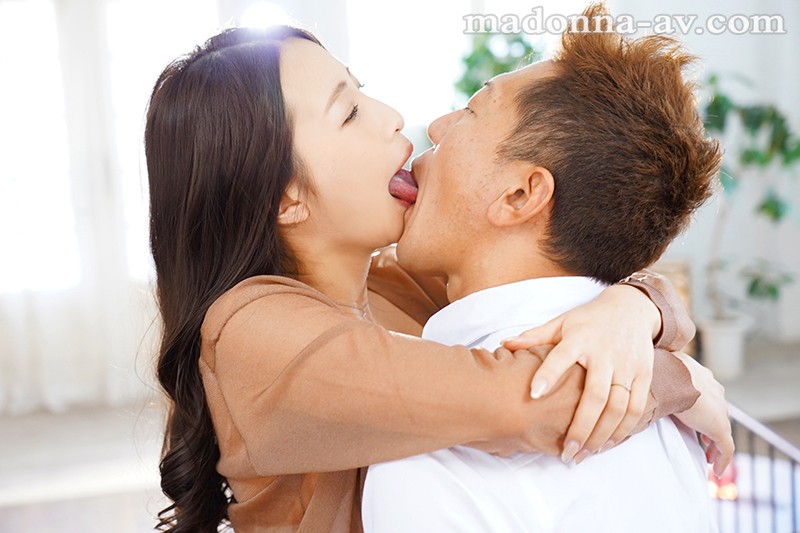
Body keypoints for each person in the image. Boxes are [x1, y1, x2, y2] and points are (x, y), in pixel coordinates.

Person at [144, 23, 732, 533]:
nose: (396, 118)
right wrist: (677, 377)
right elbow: (522, 404)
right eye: (349, 112)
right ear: (286, 196)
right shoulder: (251, 332)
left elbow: (545, 278)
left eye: (362, 90)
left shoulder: (398, 288)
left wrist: (635, 307)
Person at [362, 4, 725, 532]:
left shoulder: (430, 462)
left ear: (520, 194)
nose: (435, 127)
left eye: (471, 110)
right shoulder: (675, 417)